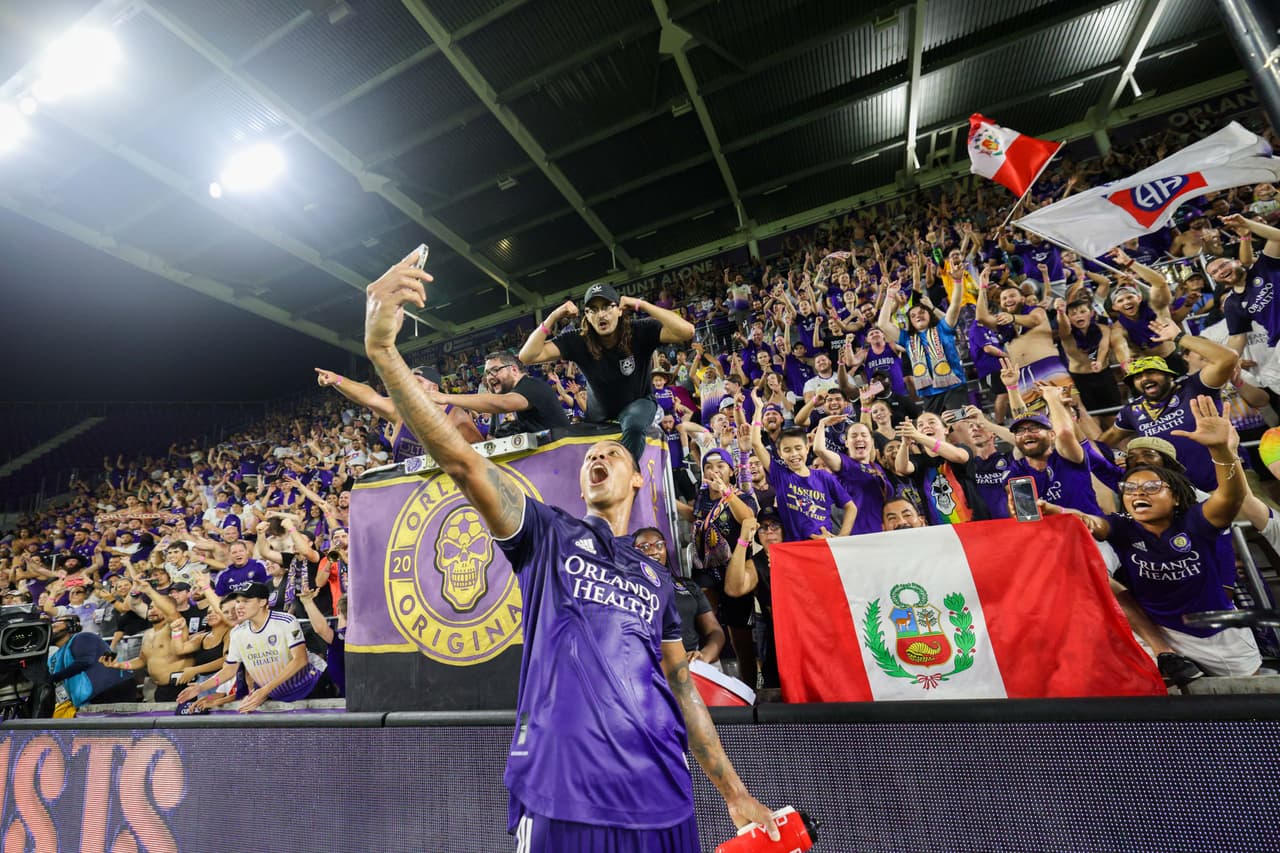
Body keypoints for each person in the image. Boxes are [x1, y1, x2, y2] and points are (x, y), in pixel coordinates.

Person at [363, 251, 779, 847]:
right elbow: (460, 459)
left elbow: (682, 685)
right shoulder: (546, 533)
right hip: (564, 793)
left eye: (613, 452)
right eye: (590, 455)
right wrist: (383, 352)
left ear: (639, 478)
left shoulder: (656, 577)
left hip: (663, 796)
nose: (598, 454)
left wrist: (734, 791)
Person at [1047, 396, 1260, 678]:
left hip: (1215, 626)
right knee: (1088, 561)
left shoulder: (1197, 508)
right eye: (1131, 485)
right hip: (1161, 628)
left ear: (1172, 486)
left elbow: (1231, 499)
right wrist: (1054, 510)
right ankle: (1160, 650)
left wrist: (1222, 452)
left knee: (1252, 701)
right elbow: (1093, 483)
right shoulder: (1126, 518)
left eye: (1148, 459)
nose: (1137, 489)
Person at [518, 282, 696, 461]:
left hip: (639, 403)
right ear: (587, 315)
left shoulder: (639, 330)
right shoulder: (579, 340)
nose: (601, 314)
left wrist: (642, 305)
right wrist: (554, 316)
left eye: (606, 307)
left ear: (619, 309)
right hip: (598, 416)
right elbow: (527, 356)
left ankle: (627, 476)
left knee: (633, 425)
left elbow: (687, 331)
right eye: (593, 310)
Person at [1099, 324, 1239, 492]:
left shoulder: (1193, 386)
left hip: (1230, 479)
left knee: (1265, 517)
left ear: (1169, 375)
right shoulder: (1132, 411)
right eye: (1137, 377)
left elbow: (1228, 358)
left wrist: (1179, 337)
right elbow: (1106, 440)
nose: (1144, 379)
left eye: (1151, 372)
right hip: (1184, 495)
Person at [175, 581, 332, 712]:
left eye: (246, 601)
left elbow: (300, 660)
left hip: (309, 687)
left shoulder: (286, 621)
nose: (239, 607)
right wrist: (200, 688)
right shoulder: (237, 633)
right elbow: (229, 670)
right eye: (237, 601)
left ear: (263, 602)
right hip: (274, 693)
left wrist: (264, 690)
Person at [314, 364, 482, 460]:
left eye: (418, 382)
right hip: (407, 495)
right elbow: (369, 397)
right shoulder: (400, 411)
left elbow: (481, 454)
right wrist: (337, 380)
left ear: (434, 387)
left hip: (444, 494)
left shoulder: (455, 415)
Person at [632, 527, 725, 665]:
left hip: (693, 663)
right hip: (652, 667)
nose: (653, 551)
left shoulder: (688, 585)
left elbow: (715, 631)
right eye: (644, 547)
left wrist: (703, 656)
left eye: (659, 545)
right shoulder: (627, 590)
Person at [428, 350, 570, 437]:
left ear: (514, 370)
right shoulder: (510, 394)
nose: (489, 377)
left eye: (495, 370)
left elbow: (504, 403)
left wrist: (445, 397)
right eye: (487, 373)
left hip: (562, 457)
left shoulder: (532, 386)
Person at [47, 615, 138, 713]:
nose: (51, 627)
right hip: (94, 695)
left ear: (71, 626)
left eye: (55, 625)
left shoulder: (83, 637)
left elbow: (85, 661)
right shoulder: (54, 657)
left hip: (112, 688)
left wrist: (53, 678)